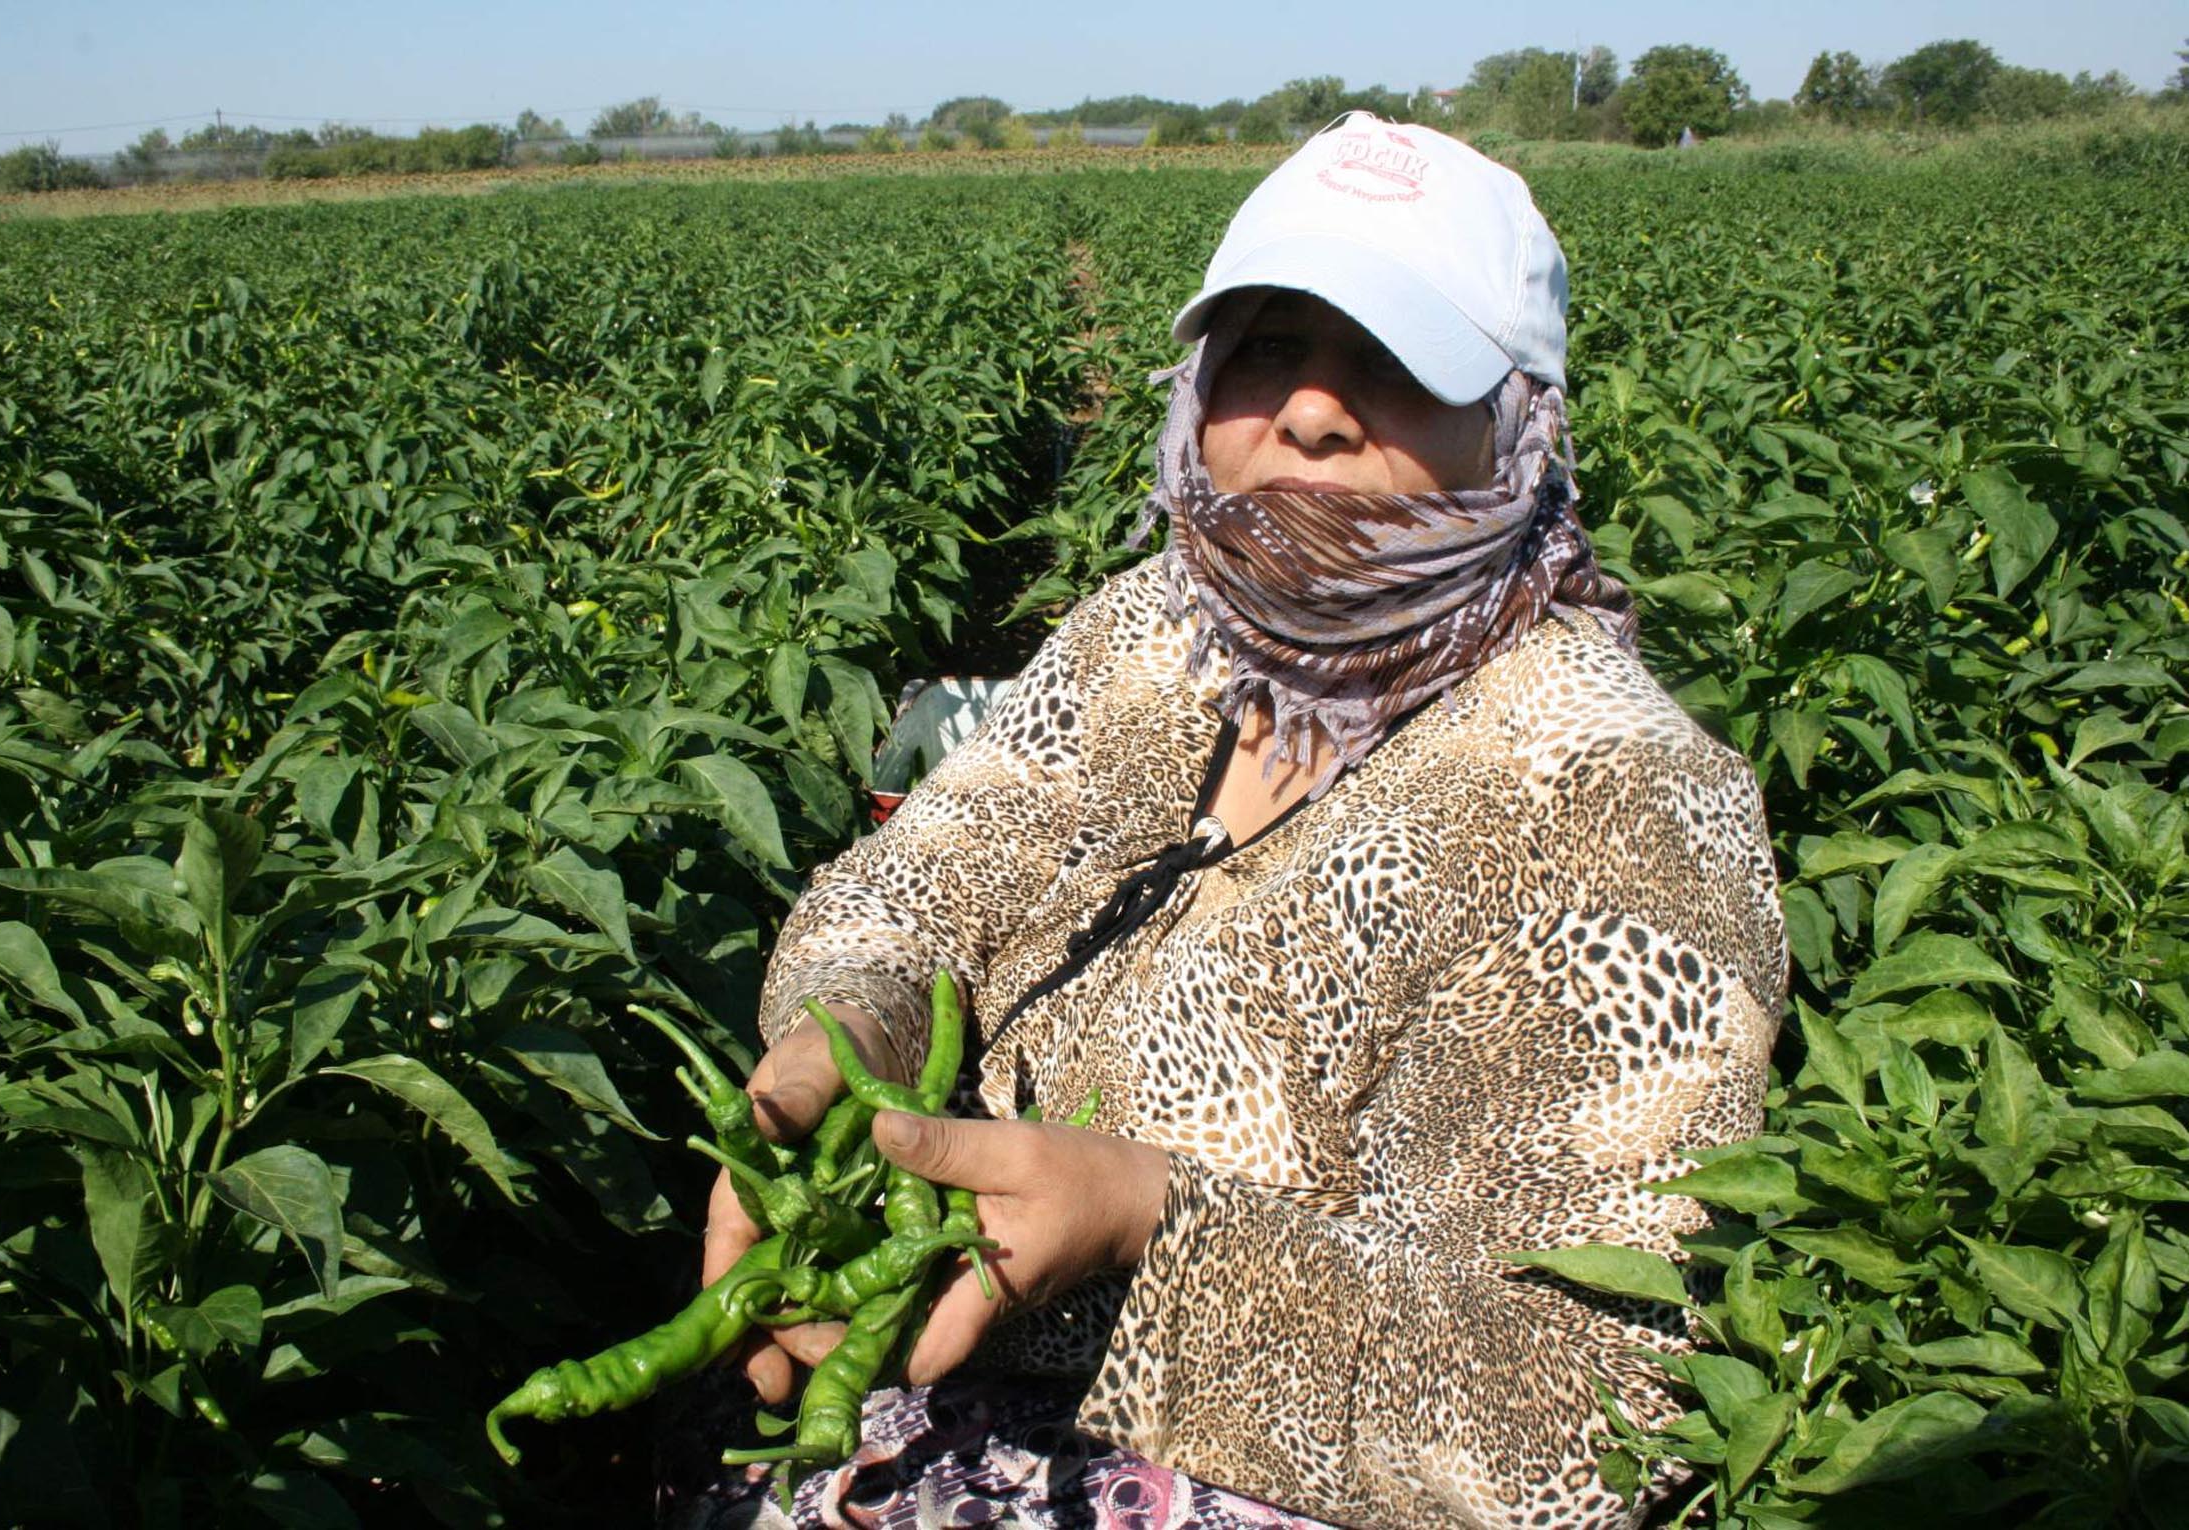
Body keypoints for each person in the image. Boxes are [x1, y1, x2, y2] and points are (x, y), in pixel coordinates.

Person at [693, 113, 1785, 1529]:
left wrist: (1146, 1226)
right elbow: (923, 882)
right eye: (1266, 349)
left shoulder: (1610, 797)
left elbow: (1575, 1415)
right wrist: (850, 1029)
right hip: (919, 1397)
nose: (1315, 411)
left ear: (1520, 423)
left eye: (1396, 364)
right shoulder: (1154, 635)